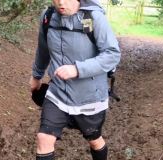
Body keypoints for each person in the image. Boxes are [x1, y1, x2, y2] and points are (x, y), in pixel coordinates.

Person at [29, 0, 121, 159]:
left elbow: (112, 54)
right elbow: (43, 49)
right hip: (57, 93)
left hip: (89, 96)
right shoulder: (48, 17)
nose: (61, 2)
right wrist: (36, 75)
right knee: (44, 138)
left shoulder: (94, 18)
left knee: (94, 140)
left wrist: (77, 69)